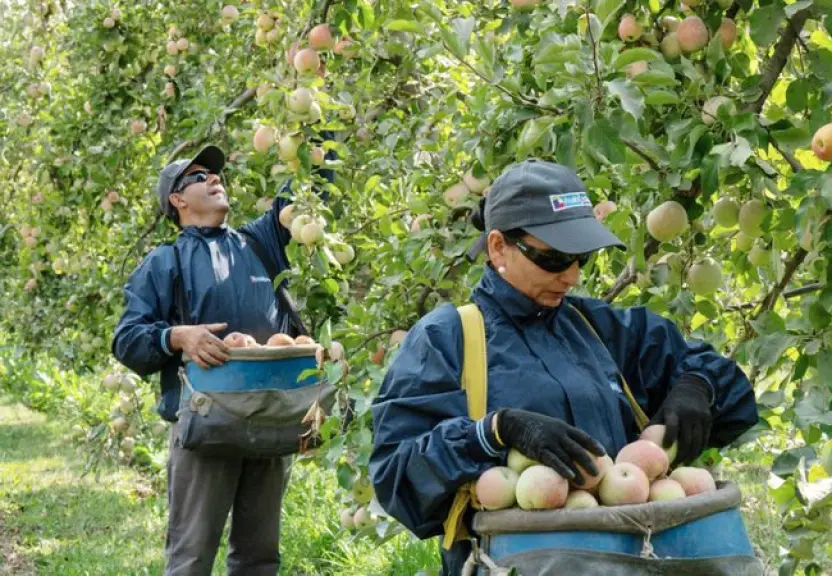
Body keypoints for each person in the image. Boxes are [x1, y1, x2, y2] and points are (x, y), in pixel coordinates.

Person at [369, 159, 758, 575]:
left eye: (581, 258)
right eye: (553, 259)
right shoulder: (448, 338)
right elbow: (397, 478)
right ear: (498, 246)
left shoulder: (600, 329)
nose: (571, 276)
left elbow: (716, 380)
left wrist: (697, 386)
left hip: (625, 562)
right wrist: (491, 433)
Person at [111, 138, 336, 575]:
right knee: (192, 557)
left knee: (259, 557)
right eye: (198, 176)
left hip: (273, 418)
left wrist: (317, 126)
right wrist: (178, 336)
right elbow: (128, 339)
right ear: (177, 200)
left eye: (215, 173)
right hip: (207, 424)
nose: (213, 178)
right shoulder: (165, 262)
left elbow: (309, 187)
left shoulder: (259, 242)